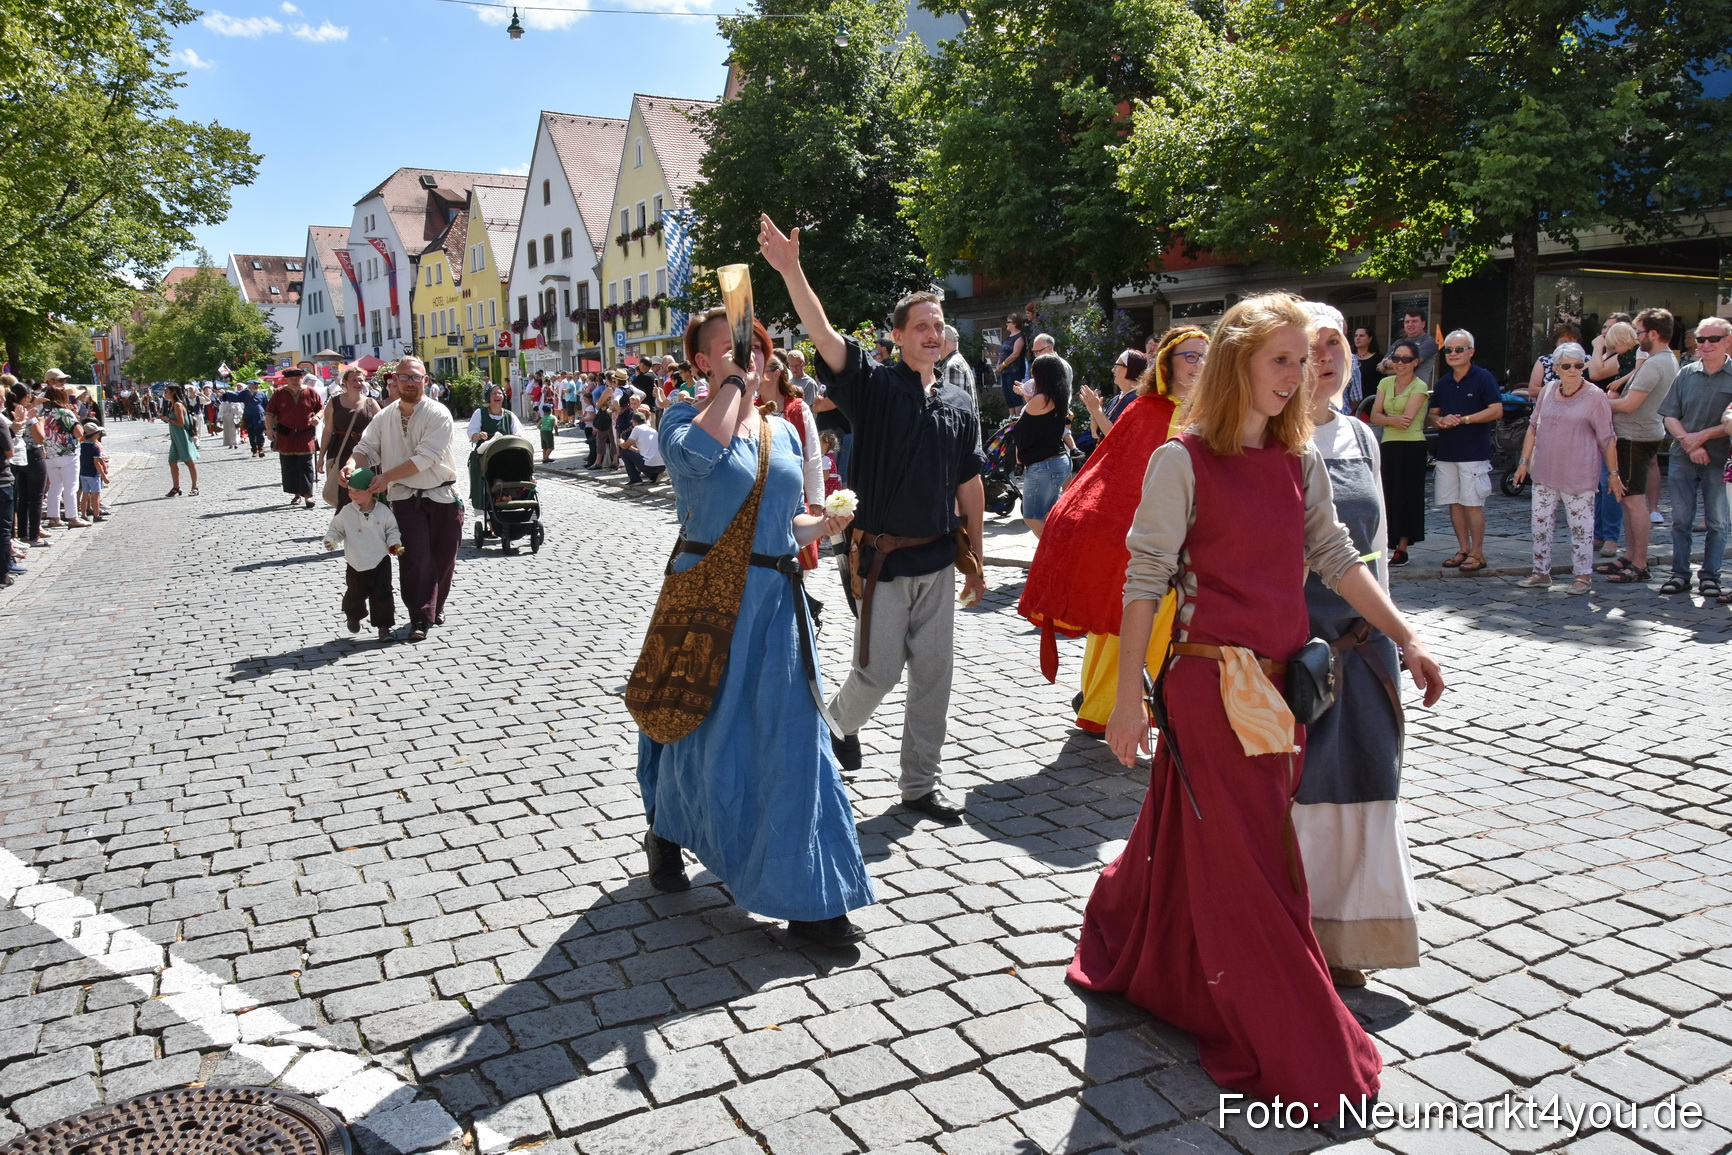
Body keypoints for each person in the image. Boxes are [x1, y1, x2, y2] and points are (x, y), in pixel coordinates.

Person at [1073, 292, 1445, 1117]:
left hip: (1283, 691)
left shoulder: (1299, 458)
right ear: (1241, 359)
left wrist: (1407, 637)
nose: (1301, 373)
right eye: (1284, 358)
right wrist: (1130, 698)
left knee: (1211, 842)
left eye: (1306, 358)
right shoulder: (1182, 460)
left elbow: (1338, 558)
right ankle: (1297, 1037)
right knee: (1257, 867)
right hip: (1210, 687)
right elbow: (1144, 583)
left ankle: (1149, 956)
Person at [635, 306, 870, 948]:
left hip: (774, 603)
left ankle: (814, 901)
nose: (751, 358)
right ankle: (667, 828)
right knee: (696, 733)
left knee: (794, 745)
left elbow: (783, 524)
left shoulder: (783, 434)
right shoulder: (683, 419)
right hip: (707, 601)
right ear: (702, 363)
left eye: (757, 350)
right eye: (733, 350)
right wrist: (734, 387)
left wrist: (821, 528)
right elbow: (694, 463)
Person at [761, 213, 987, 824]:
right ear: (898, 336)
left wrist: (979, 560)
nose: (933, 334)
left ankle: (920, 786)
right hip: (882, 559)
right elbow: (824, 332)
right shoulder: (873, 385)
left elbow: (970, 481)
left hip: (939, 557)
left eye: (939, 327)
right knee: (878, 670)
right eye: (922, 326)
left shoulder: (960, 403)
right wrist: (792, 270)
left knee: (934, 677)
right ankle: (833, 727)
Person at [1293, 302, 1419, 988]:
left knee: (1370, 783)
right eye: (1308, 347)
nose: (1325, 356)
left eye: (1335, 342)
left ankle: (1349, 936)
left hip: (1367, 650)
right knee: (1307, 793)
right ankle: (1299, 933)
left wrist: (1394, 636)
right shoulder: (1267, 442)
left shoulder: (1363, 438)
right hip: (1300, 655)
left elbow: (1374, 557)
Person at [1019, 326, 1208, 735]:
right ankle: (1105, 707)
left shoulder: (1217, 414)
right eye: (1190, 356)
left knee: (1178, 628)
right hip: (1144, 546)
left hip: (1198, 548)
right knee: (1123, 624)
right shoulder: (1144, 412)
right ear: (1167, 365)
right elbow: (1110, 476)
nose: (1199, 365)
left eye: (1205, 357)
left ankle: (1163, 706)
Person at [342, 357, 465, 643]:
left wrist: (385, 477)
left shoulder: (439, 413)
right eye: (404, 377)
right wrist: (352, 464)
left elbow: (425, 458)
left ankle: (437, 605)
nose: (410, 382)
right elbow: (366, 448)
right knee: (414, 559)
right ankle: (419, 617)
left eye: (416, 377)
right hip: (405, 498)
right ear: (393, 381)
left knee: (444, 559)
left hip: (442, 494)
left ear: (425, 381)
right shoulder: (384, 416)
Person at [1511, 344, 1619, 594]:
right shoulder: (1548, 390)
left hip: (1579, 472)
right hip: (1546, 470)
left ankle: (1583, 576)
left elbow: (1607, 438)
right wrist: (1523, 462)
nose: (1573, 370)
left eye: (1579, 365)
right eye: (1567, 366)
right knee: (1539, 523)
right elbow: (1533, 427)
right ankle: (1540, 572)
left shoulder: (1595, 396)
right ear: (1557, 368)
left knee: (1581, 527)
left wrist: (1613, 474)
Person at [1599, 309, 1679, 585]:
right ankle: (1631, 556)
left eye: (1639, 332)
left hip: (1635, 437)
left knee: (1634, 502)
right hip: (1635, 435)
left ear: (1654, 334)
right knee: (1627, 500)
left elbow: (1629, 405)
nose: (1636, 337)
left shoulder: (1658, 362)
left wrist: (1594, 401)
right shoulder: (1660, 360)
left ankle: (1640, 563)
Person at [1657, 316, 1732, 598]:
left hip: (1720, 462)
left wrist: (1702, 437)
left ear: (1727, 341)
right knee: (1680, 520)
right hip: (1683, 456)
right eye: (1701, 339)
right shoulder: (1686, 373)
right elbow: (1669, 415)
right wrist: (1690, 443)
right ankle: (1679, 575)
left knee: (1717, 522)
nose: (1706, 344)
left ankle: (1710, 576)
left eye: (1713, 339)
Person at [1429, 330, 1503, 572]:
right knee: (1454, 503)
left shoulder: (1483, 378)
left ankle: (1478, 553)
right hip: (1447, 452)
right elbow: (1433, 414)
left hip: (1474, 452)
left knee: (1472, 503)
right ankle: (1463, 549)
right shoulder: (1442, 382)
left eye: (1459, 349)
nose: (1453, 354)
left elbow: (1496, 410)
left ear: (1471, 351)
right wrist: (1439, 420)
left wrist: (1465, 420)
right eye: (1449, 350)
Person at [323, 466, 404, 643]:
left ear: (370, 491)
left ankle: (384, 628)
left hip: (379, 561)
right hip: (355, 562)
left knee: (382, 595)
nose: (352, 495)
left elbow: (392, 530)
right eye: (350, 491)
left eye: (357, 491)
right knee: (355, 594)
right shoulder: (346, 512)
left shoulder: (383, 511)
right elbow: (336, 529)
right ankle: (354, 615)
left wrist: (394, 544)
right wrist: (332, 540)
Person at [1370, 338, 1429, 566]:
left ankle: (1402, 548)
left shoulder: (1419, 387)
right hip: (1389, 445)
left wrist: (1386, 419)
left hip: (1412, 445)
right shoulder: (1385, 383)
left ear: (1415, 362)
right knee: (1387, 494)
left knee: (1407, 497)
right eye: (1396, 358)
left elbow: (1407, 421)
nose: (1400, 363)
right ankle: (1386, 542)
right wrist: (1391, 419)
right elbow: (1374, 416)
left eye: (1406, 359)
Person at [1014, 354, 1072, 538]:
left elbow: (1024, 423)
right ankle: (1048, 559)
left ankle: (1057, 554)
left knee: (1031, 517)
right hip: (1057, 461)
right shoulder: (1059, 397)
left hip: (1043, 465)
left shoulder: (1042, 399)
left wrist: (1025, 394)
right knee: (1047, 515)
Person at [322, 369, 381, 511]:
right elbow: (328, 429)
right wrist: (321, 456)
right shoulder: (334, 402)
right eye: (354, 380)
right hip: (340, 450)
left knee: (364, 490)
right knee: (344, 491)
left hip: (365, 452)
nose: (358, 383)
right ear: (346, 382)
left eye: (361, 380)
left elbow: (382, 430)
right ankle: (344, 526)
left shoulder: (371, 403)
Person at [265, 368, 322, 508]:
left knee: (306, 464)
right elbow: (270, 413)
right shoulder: (279, 393)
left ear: (301, 378)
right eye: (291, 380)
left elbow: (321, 408)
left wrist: (317, 417)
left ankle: (308, 495)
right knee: (290, 464)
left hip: (305, 433)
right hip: (286, 434)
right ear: (287, 380)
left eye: (297, 379)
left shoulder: (310, 392)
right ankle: (297, 493)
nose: (295, 382)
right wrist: (269, 429)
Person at [40, 378, 87, 526]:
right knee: (71, 486)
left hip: (50, 453)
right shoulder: (65, 412)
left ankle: (54, 517)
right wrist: (77, 418)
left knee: (54, 486)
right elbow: (79, 432)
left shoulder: (43, 413)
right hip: (67, 453)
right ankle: (72, 517)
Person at [7, 381, 47, 550]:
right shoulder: (27, 417)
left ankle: (22, 533)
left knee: (22, 498)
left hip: (17, 459)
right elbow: (41, 439)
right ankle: (34, 535)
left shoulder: (7, 413)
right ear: (26, 397)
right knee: (36, 498)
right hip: (33, 456)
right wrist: (42, 422)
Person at [1378, 309, 1438, 385]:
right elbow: (1380, 367)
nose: (1410, 324)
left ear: (1423, 324)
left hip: (1415, 391)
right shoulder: (1398, 343)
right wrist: (1386, 365)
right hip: (1392, 391)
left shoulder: (1428, 342)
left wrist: (1387, 365)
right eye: (1407, 322)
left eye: (1414, 321)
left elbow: (1413, 365)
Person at [1526, 322, 1584, 398]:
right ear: (1556, 343)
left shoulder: (1587, 360)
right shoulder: (1544, 361)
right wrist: (1561, 392)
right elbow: (1533, 391)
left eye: (1572, 341)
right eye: (1563, 341)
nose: (1567, 345)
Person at [224, 381, 268, 457]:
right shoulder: (244, 393)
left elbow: (266, 405)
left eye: (257, 386)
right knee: (251, 434)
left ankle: (261, 449)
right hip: (249, 416)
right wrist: (226, 394)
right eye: (254, 386)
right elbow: (236, 396)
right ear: (250, 386)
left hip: (259, 417)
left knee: (260, 433)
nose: (256, 387)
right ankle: (254, 450)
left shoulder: (262, 394)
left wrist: (267, 415)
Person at [621, 411, 663, 485]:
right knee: (641, 457)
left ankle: (635, 479)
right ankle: (654, 476)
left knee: (624, 453)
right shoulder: (652, 430)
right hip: (662, 466)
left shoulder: (637, 428)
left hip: (650, 465)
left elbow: (625, 446)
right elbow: (639, 451)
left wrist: (621, 443)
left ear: (634, 421)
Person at [997, 316, 1028, 414]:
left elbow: (1015, 354)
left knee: (1015, 396)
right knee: (1008, 397)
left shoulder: (1020, 337)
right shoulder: (1008, 338)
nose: (1006, 324)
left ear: (1014, 324)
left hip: (1015, 371)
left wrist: (1003, 364)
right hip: (1005, 371)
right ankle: (1010, 421)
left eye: (1008, 322)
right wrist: (999, 364)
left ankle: (1017, 420)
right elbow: (1003, 352)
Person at [77, 424, 107, 522]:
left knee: (85, 494)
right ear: (95, 435)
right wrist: (104, 476)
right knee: (96, 495)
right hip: (93, 474)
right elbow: (97, 463)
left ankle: (84, 514)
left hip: (83, 473)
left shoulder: (82, 445)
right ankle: (96, 515)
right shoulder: (95, 447)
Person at [1351, 326, 1380, 400]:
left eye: (1361, 336)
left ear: (1370, 339)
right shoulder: (1349, 358)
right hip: (1350, 402)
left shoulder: (1377, 358)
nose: (1358, 338)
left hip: (1370, 401)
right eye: (1356, 336)